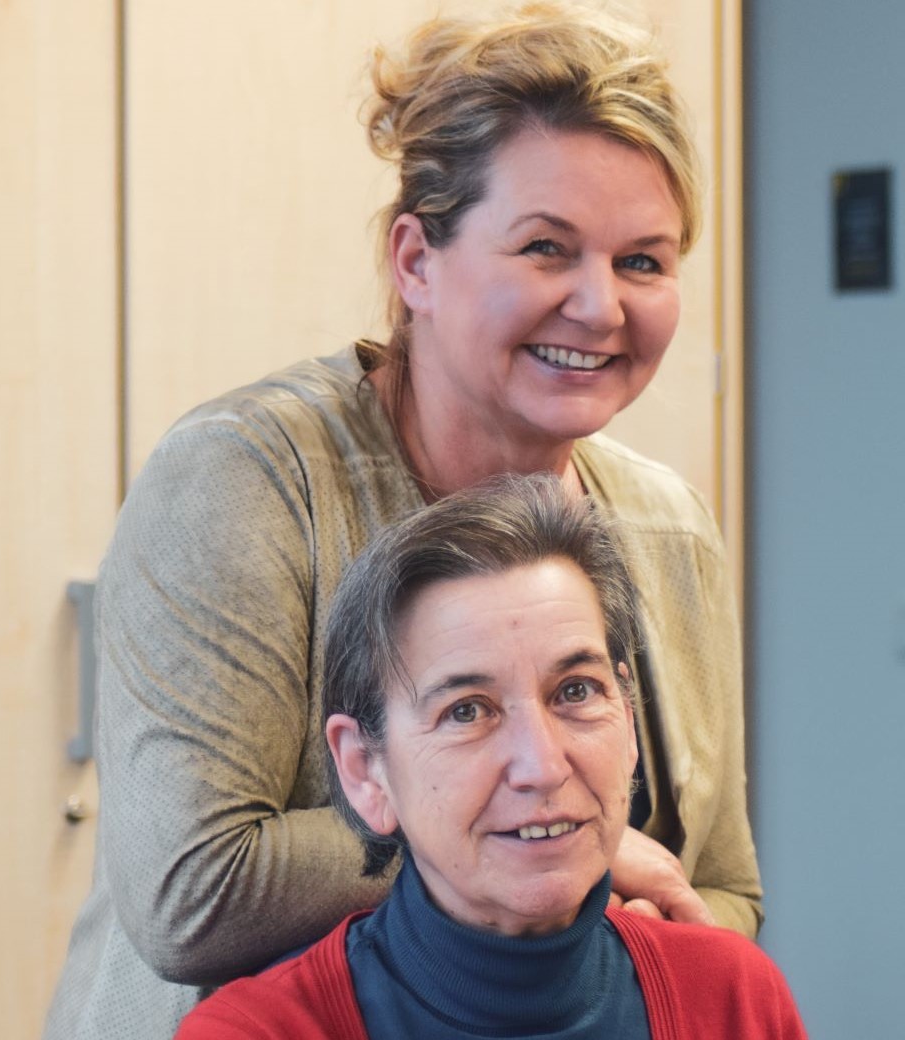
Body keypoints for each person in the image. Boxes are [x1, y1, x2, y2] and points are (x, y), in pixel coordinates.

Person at [44, 3, 762, 1038]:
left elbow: (721, 886)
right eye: (546, 248)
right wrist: (560, 839)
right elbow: (193, 888)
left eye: (642, 261)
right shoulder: (248, 478)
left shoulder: (668, 528)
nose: (600, 306)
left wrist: (625, 925)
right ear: (415, 261)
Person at [175, 475, 805, 1040]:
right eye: (467, 711)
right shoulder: (256, 1031)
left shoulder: (733, 997)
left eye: (576, 692)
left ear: (629, 720)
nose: (543, 767)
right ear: (366, 770)